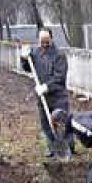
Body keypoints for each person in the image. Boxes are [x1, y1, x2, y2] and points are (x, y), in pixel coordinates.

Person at [20, 28, 74, 158]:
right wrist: (24, 58)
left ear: (51, 39)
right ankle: (52, 148)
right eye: (42, 42)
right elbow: (28, 68)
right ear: (38, 40)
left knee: (61, 124)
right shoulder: (36, 52)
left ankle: (68, 148)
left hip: (58, 97)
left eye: (46, 42)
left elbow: (60, 77)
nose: (44, 44)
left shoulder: (59, 55)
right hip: (43, 97)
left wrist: (46, 87)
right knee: (46, 124)